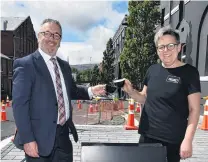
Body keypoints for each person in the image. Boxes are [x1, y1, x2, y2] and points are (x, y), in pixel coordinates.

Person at [12, 18, 106, 162]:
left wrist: (91, 90)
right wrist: (27, 139)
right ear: (39, 36)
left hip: (63, 139)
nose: (52, 38)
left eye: (57, 35)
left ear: (60, 40)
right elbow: (20, 106)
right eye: (48, 34)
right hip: (38, 141)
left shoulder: (64, 66)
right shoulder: (26, 65)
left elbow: (71, 90)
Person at [122, 26, 201, 162]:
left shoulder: (189, 73)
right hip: (147, 136)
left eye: (170, 46)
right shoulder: (152, 70)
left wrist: (187, 140)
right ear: (157, 50)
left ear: (179, 47)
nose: (166, 51)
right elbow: (144, 98)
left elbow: (194, 110)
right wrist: (130, 91)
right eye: (161, 47)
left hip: (172, 141)